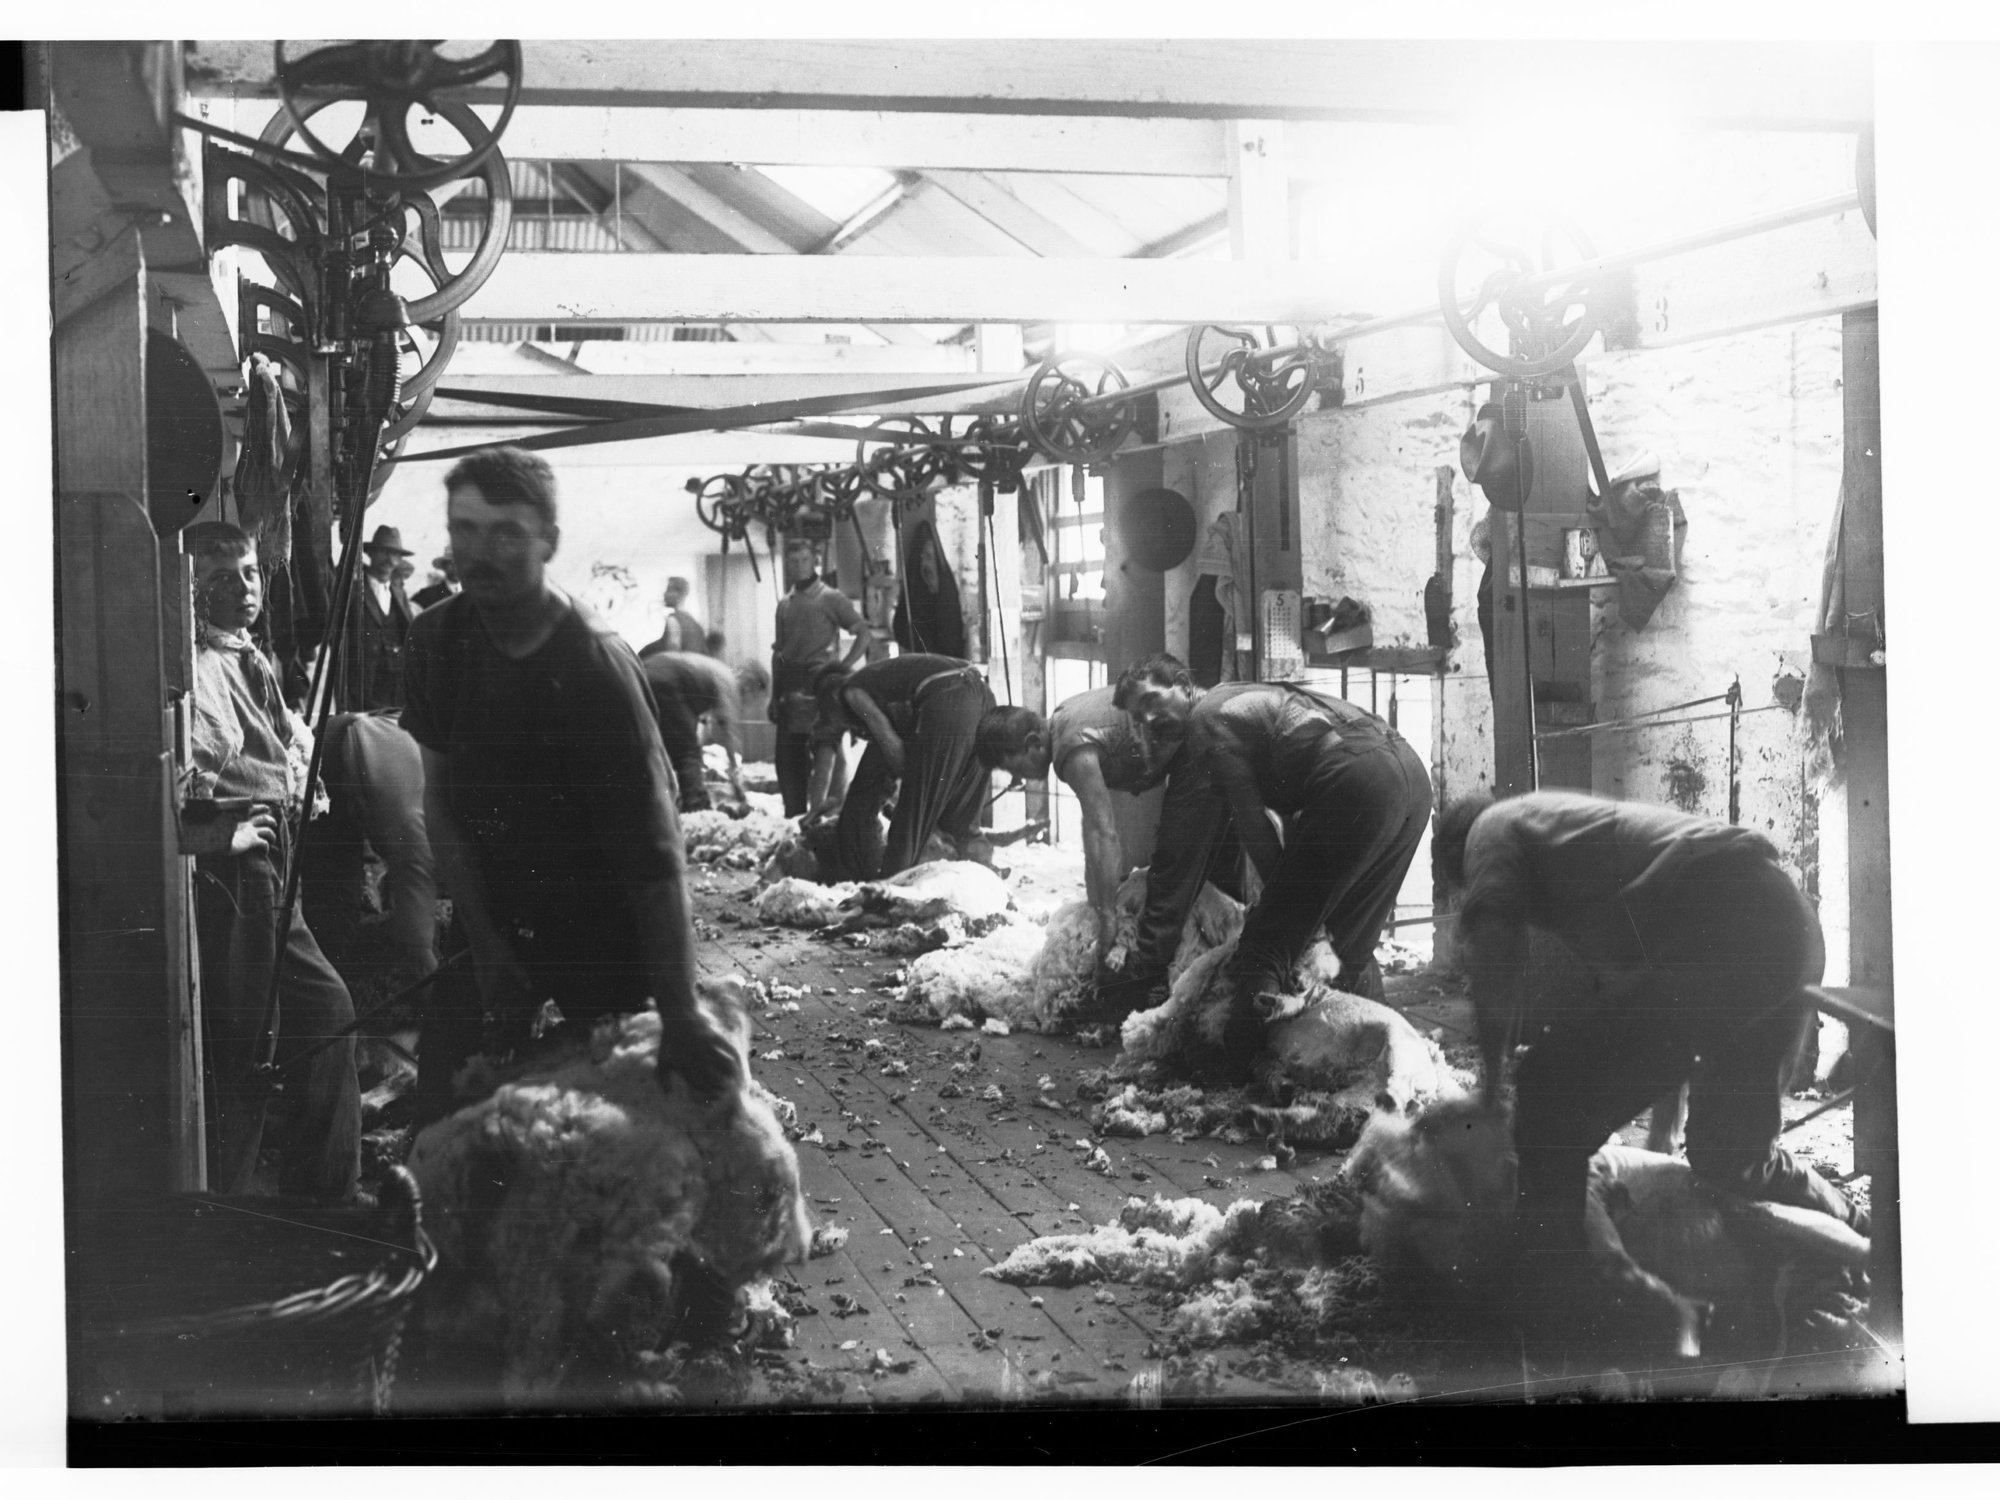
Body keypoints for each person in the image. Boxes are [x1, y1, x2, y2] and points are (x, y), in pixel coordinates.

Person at [1431, 789, 1868, 1342]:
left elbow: (1495, 943)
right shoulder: (1583, 869)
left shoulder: (1488, 829)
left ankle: (1555, 1311)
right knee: (1730, 1155)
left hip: (1735, 918)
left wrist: (1491, 1086)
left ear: (1457, 857)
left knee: (1548, 1087)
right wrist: (1662, 1128)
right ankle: (1862, 1227)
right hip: (1785, 925)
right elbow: (1658, 1017)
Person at [400, 446, 740, 1122]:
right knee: (444, 1113)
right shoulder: (437, 640)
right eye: (464, 529)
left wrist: (680, 1011)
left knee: (624, 1124)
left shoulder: (595, 668)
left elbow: (655, 853)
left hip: (603, 924)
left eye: (506, 533)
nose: (480, 551)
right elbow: (439, 802)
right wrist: (487, 942)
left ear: (548, 541)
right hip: (499, 907)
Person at [1109, 656, 1432, 1044]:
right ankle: (1377, 1052)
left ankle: (1240, 1071)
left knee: (1266, 944)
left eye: (1151, 701)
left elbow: (1253, 823)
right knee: (1346, 946)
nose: (1147, 722)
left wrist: (1278, 901)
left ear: (1183, 684)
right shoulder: (1237, 700)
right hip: (1408, 777)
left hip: (1360, 780)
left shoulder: (1205, 723)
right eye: (1136, 719)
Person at [181, 522, 361, 1202]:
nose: (244, 589)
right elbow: (177, 780)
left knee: (323, 1013)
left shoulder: (246, 654)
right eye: (222, 580)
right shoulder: (195, 664)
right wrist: (220, 837)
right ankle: (223, 1207)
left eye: (251, 574)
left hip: (275, 857)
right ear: (190, 591)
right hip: (242, 874)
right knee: (248, 1044)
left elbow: (280, 747)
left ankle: (322, 1193)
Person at [822, 653, 1046, 880]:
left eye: (829, 716)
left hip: (951, 700)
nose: (839, 724)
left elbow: (892, 747)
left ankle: (889, 890)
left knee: (913, 815)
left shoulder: (849, 690)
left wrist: (909, 777)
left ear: (830, 695)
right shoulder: (888, 688)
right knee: (963, 820)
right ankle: (982, 877)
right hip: (983, 696)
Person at [297, 709, 438, 1005]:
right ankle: (331, 1007)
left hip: (368, 736)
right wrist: (440, 1010)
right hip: (331, 759)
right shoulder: (420, 838)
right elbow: (418, 950)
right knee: (334, 913)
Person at [1037, 684, 1172, 966]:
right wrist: (1093, 890)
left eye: (1015, 767)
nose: (1020, 777)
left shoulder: (1070, 750)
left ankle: (1143, 971)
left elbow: (1104, 831)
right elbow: (1091, 821)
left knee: (1177, 873)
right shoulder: (1062, 715)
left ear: (1029, 744)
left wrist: (1108, 914)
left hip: (1191, 737)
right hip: (1178, 729)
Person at [771, 536, 872, 816]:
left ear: (814, 560)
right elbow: (778, 653)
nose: (798, 566)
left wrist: (843, 668)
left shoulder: (831, 597)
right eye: (792, 562)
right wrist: (773, 696)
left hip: (822, 683)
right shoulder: (785, 603)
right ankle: (794, 818)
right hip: (790, 685)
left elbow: (863, 633)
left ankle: (827, 816)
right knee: (789, 759)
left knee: (829, 755)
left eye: (803, 560)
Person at [642, 650, 750, 813]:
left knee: (654, 744)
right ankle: (697, 809)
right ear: (750, 686)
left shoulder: (715, 670)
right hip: (668, 681)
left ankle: (656, 804)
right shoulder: (730, 683)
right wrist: (736, 773)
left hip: (647, 670)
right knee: (687, 753)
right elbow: (728, 732)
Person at [346, 523, 416, 710]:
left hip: (398, 687)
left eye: (395, 554)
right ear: (371, 554)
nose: (390, 560)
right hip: (366, 686)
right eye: (384, 552)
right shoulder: (353, 591)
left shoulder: (399, 593)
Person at [892, 518, 966, 658]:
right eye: (922, 556)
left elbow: (951, 638)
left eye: (929, 556)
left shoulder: (947, 596)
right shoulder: (915, 594)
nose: (925, 563)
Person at [639, 576, 708, 660]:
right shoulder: (695, 623)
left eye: (668, 590)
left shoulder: (673, 619)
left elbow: (673, 653)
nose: (664, 594)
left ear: (679, 594)